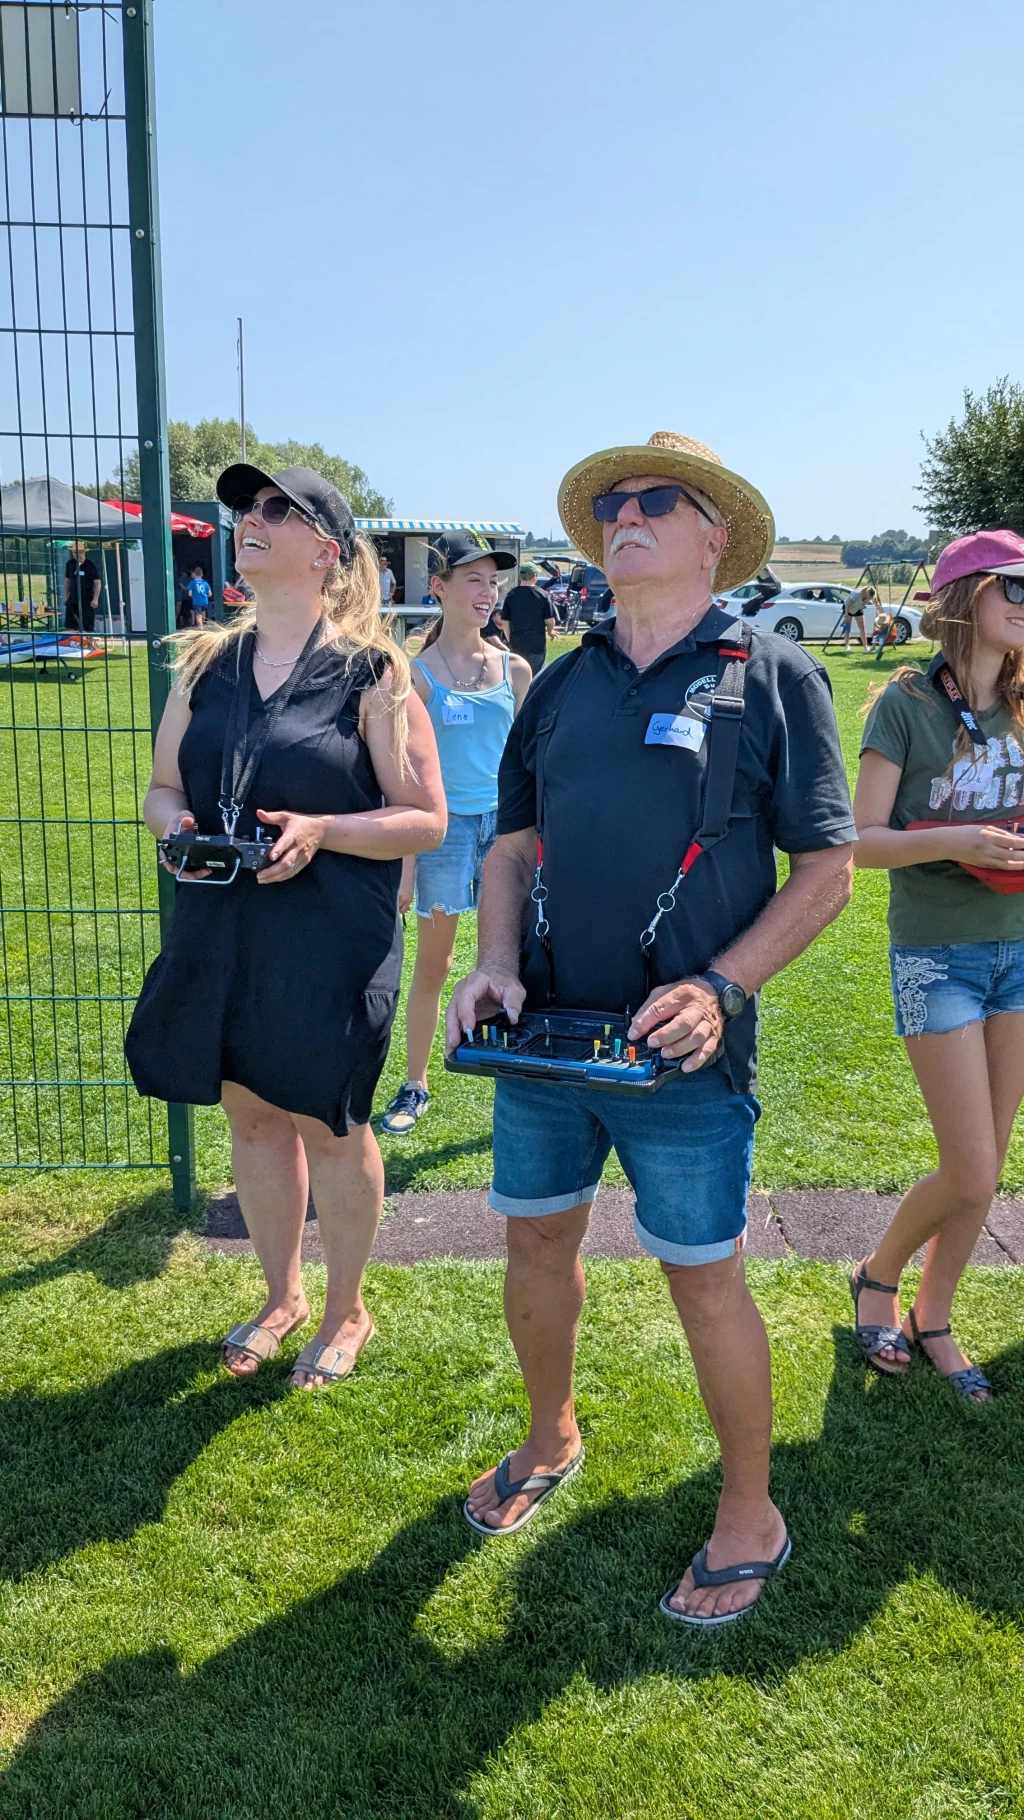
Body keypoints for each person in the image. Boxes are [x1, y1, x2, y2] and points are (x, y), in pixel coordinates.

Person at [447, 430, 856, 1626]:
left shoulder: (774, 672)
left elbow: (826, 868)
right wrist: (493, 962)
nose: (625, 515)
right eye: (611, 503)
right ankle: (548, 1433)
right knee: (534, 1247)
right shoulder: (562, 681)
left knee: (704, 1279)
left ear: (710, 533)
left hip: (683, 1051)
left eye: (654, 501)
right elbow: (512, 844)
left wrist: (720, 987)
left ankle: (750, 1512)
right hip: (546, 1045)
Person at [126, 464, 446, 1388]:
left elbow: (426, 817)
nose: (248, 522)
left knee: (331, 1125)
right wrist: (174, 828)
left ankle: (347, 1308)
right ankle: (283, 1295)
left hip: (329, 937)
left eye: (275, 510)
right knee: (253, 1117)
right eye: (242, 510)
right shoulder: (205, 665)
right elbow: (161, 788)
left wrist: (325, 830)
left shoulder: (374, 673)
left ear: (326, 551)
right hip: (221, 923)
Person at [850, 528, 1024, 1402]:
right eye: (1017, 589)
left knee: (988, 1163)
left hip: (1020, 949)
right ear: (966, 600)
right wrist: (960, 839)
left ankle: (937, 1312)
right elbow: (858, 840)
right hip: (939, 956)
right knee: (969, 1166)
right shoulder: (907, 704)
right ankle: (879, 1276)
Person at [380, 534, 532, 1136]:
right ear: (438, 588)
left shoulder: (514, 668)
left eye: (493, 581)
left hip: (507, 833)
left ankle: (523, 1074)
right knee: (435, 967)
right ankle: (415, 1084)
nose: (487, 591)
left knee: (516, 961)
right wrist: (408, 861)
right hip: (442, 832)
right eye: (473, 579)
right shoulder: (411, 675)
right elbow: (402, 774)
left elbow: (529, 763)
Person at [499, 561, 557, 675]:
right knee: (536, 677)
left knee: (518, 676)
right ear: (534, 576)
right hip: (537, 644)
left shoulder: (511, 595)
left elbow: (504, 621)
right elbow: (550, 620)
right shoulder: (543, 595)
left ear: (520, 576)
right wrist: (550, 631)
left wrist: (510, 639)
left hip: (517, 643)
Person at [64, 543, 100, 632]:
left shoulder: (90, 565)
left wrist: (95, 599)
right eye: (74, 552)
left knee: (87, 625)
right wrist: (65, 595)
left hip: (87, 599)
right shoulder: (70, 564)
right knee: (70, 624)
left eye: (79, 552)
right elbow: (67, 581)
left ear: (83, 552)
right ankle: (71, 643)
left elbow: (97, 583)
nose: (76, 554)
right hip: (72, 598)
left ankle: (88, 642)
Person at [841, 584, 873, 653]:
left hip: (858, 609)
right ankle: (847, 647)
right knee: (847, 627)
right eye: (869, 597)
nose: (870, 599)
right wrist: (846, 614)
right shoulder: (857, 594)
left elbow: (876, 602)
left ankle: (865, 647)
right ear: (866, 594)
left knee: (862, 627)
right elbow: (847, 604)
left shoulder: (870, 596)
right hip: (848, 608)